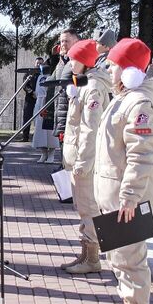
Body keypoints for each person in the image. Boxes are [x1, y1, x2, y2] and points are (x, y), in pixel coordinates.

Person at [93, 38, 153, 304]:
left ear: (129, 70)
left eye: (113, 65)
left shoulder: (139, 103)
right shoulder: (124, 98)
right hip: (116, 198)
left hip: (127, 201)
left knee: (131, 262)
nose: (109, 69)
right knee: (120, 261)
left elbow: (142, 154)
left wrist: (130, 196)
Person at [60, 40, 111, 274]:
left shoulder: (93, 88)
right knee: (83, 207)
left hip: (86, 160)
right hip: (78, 155)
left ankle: (92, 258)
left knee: (89, 207)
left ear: (84, 61)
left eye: (74, 59)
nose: (70, 64)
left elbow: (91, 129)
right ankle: (86, 253)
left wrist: (83, 161)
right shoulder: (83, 84)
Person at [45, 29, 79, 162]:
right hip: (60, 110)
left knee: (71, 148)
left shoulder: (78, 62)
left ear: (76, 42)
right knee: (62, 146)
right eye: (61, 41)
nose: (63, 44)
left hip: (72, 111)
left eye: (66, 41)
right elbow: (52, 82)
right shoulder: (61, 62)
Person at [32, 64, 60, 163]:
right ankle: (43, 153)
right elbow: (36, 92)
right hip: (39, 103)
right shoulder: (39, 77)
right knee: (39, 130)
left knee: (49, 131)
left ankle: (51, 154)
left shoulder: (51, 78)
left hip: (49, 103)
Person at [21, 57, 45, 142]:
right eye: (37, 63)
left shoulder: (43, 74)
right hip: (30, 99)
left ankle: (39, 138)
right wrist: (32, 92)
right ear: (35, 63)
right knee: (27, 117)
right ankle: (25, 137)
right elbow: (25, 85)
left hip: (41, 99)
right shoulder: (29, 73)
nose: (39, 65)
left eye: (41, 63)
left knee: (40, 118)